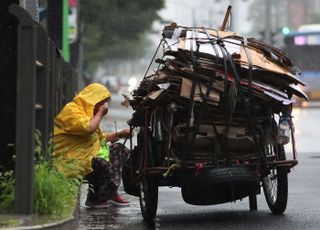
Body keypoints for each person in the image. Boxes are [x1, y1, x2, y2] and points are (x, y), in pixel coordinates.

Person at [53, 83, 131, 208]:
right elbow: (88, 128)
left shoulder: (89, 114)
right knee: (99, 162)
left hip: (87, 156)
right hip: (71, 160)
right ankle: (96, 198)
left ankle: (110, 192)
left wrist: (120, 134)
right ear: (92, 100)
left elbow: (100, 139)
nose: (105, 107)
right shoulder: (72, 110)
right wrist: (99, 114)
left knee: (119, 149)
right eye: (102, 103)